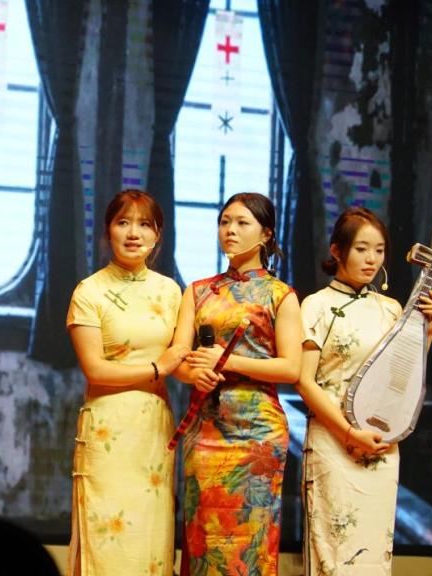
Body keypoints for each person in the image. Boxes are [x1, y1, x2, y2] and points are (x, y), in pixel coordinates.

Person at [297, 207, 432, 575]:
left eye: (378, 250)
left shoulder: (392, 309)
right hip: (333, 442)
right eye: (361, 249)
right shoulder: (316, 306)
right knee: (332, 555)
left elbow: (402, 377)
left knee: (373, 557)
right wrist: (349, 433)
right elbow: (304, 382)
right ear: (336, 250)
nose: (371, 259)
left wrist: (428, 332)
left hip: (380, 445)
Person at [173, 192, 302, 576]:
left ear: (265, 234)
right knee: (202, 533)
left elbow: (291, 368)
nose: (230, 229)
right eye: (225, 221)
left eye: (242, 223)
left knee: (252, 537)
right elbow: (179, 357)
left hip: (258, 433)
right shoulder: (197, 291)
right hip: (206, 428)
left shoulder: (281, 295)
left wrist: (227, 362)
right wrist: (193, 372)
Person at [65, 189, 190, 576]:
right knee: (106, 541)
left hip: (153, 430)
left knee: (149, 544)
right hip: (108, 430)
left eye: (144, 224)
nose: (133, 233)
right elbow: (95, 370)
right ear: (108, 232)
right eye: (123, 223)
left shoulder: (170, 291)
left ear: (157, 235)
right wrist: (157, 368)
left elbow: (180, 360)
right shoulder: (90, 291)